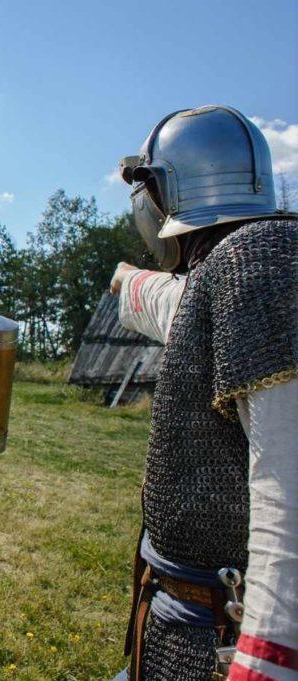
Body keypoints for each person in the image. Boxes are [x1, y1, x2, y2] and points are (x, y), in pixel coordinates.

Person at [111, 105, 297, 681]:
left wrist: (265, 660)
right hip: (179, 611)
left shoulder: (258, 263)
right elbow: (175, 304)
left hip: (223, 628)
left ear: (160, 190)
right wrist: (125, 279)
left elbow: (286, 489)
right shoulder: (229, 271)